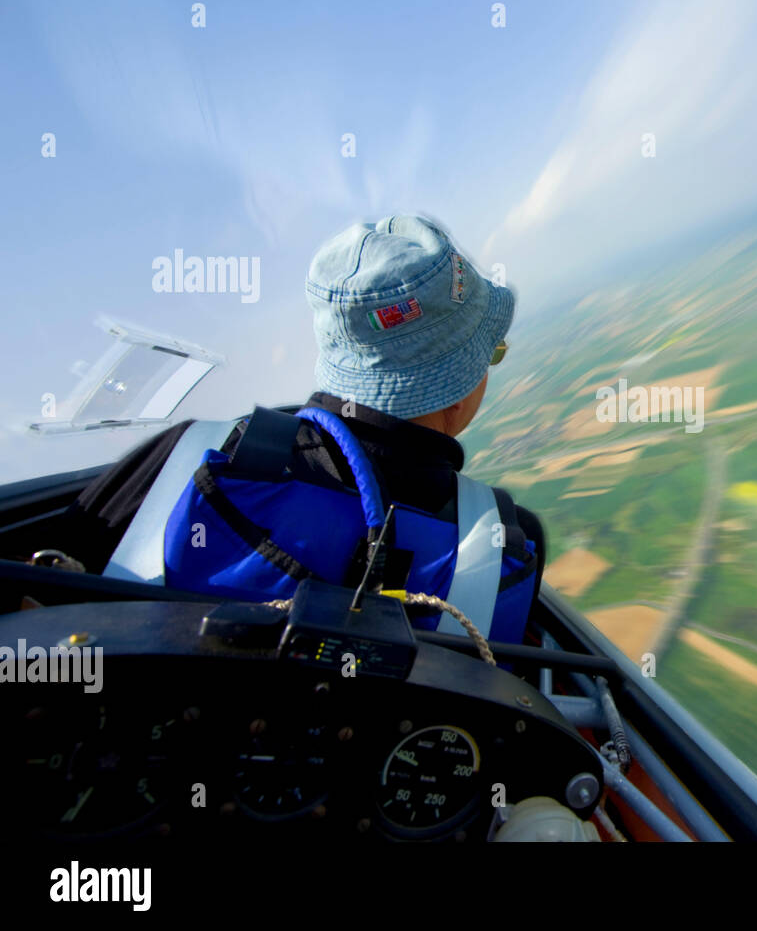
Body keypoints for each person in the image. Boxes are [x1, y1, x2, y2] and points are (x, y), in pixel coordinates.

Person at [54, 214, 544, 633]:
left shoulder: (184, 459)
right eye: (490, 354)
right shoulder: (508, 543)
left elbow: (45, 590)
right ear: (454, 395)